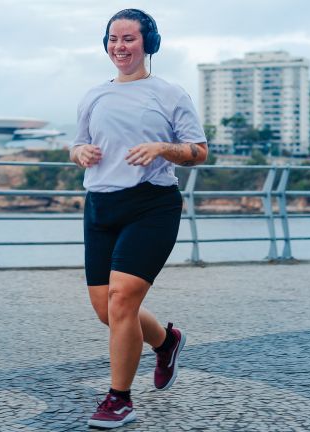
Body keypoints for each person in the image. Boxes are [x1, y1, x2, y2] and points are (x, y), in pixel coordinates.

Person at [69, 8, 208, 429]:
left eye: (128, 38)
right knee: (105, 309)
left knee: (122, 299)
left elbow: (199, 151)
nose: (119, 47)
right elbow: (77, 145)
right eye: (113, 39)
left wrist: (162, 148)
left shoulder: (169, 93)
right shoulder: (93, 95)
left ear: (148, 43)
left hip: (152, 205)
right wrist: (80, 154)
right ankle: (167, 342)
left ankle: (119, 399)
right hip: (100, 206)